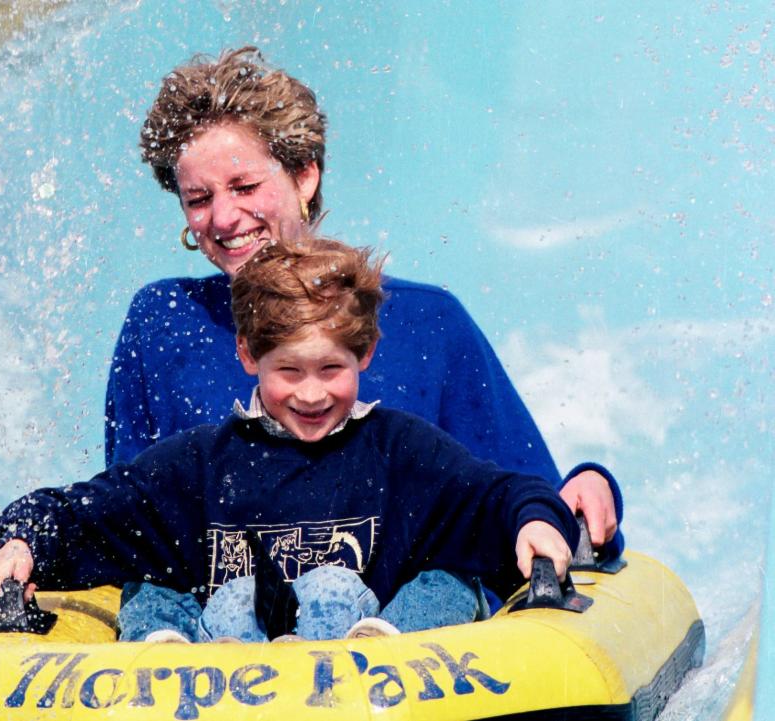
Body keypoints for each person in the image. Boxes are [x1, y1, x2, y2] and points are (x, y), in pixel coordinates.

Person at [104, 46, 623, 563]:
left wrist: (588, 486)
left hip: (405, 635)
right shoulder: (163, 321)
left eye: (245, 186)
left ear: (304, 176)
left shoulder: (427, 323)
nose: (222, 218)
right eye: (198, 199)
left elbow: (522, 497)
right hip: (213, 634)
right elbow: (126, 513)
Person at [0, 236, 581, 643]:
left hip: (374, 676)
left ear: (366, 355)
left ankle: (386, 646)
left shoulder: (399, 450)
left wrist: (533, 520)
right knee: (150, 581)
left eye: (332, 370)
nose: (312, 394)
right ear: (248, 357)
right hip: (229, 668)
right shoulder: (202, 464)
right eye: (289, 372)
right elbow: (97, 508)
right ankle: (164, 658)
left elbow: (493, 493)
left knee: (449, 582)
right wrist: (24, 537)